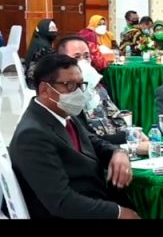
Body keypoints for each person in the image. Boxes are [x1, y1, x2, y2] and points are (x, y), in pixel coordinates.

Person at [10, 53, 140, 219]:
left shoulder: (64, 115)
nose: (78, 93)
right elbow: (61, 202)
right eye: (70, 85)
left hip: (95, 199)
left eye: (80, 85)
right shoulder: (32, 135)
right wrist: (118, 213)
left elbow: (94, 143)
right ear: (45, 90)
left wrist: (118, 152)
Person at [57, 35, 148, 148]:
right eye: (77, 57)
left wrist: (132, 134)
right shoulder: (67, 98)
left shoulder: (98, 88)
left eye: (86, 57)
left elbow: (116, 118)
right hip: (102, 151)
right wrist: (128, 147)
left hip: (118, 145)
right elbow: (88, 140)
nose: (83, 62)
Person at [23, 18, 59, 89]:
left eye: (55, 28)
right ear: (44, 29)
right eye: (51, 29)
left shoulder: (37, 41)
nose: (54, 31)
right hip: (37, 83)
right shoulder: (42, 47)